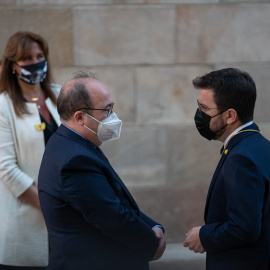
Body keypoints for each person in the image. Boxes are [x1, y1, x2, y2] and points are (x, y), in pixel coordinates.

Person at [38, 70, 166, 270]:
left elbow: (117, 202)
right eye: (106, 110)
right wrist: (151, 244)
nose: (113, 116)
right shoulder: (75, 160)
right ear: (80, 117)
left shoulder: (72, 143)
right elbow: (111, 216)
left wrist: (153, 227)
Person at [183, 68, 270, 270]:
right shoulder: (258, 145)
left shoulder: (241, 157)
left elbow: (244, 228)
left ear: (230, 115)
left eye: (204, 108)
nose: (199, 115)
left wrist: (204, 235)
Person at [0, 31, 61, 269]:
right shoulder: (3, 106)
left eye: (39, 55)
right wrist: (51, 207)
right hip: (25, 222)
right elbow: (6, 169)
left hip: (67, 223)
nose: (36, 63)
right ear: (13, 65)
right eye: (27, 58)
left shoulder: (61, 94)